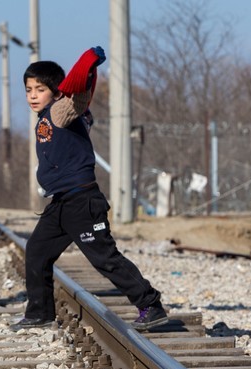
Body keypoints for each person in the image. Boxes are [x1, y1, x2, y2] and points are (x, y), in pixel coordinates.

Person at [12, 46, 168, 332]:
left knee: (104, 258)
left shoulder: (60, 111)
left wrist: (89, 61)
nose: (32, 95)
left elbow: (79, 98)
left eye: (40, 89)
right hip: (60, 203)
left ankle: (151, 305)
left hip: (82, 201)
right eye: (28, 89)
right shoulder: (47, 116)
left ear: (56, 92)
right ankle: (40, 313)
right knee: (36, 251)